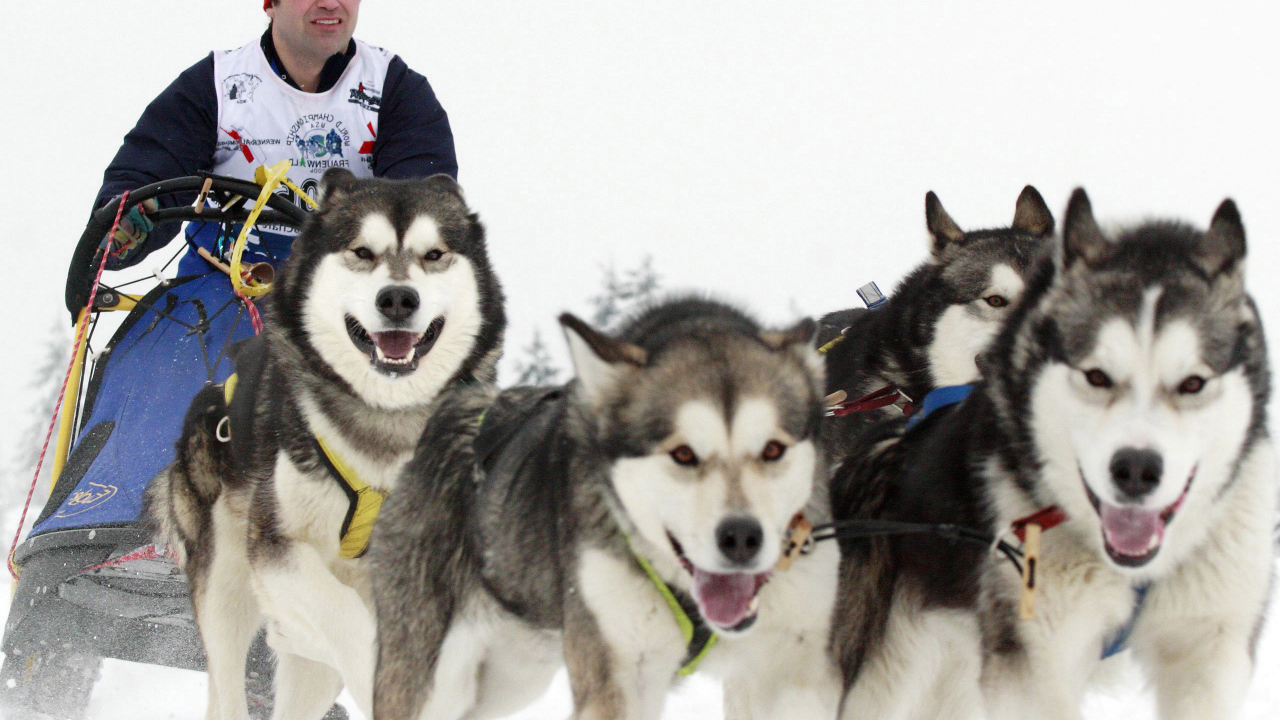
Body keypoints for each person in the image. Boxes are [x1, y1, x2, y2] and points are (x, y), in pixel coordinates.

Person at [77, 0, 457, 295]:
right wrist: (129, 222)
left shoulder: (395, 91)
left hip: (350, 303)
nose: (329, 4)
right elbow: (150, 170)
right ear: (269, 3)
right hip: (221, 296)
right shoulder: (217, 87)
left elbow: (423, 209)